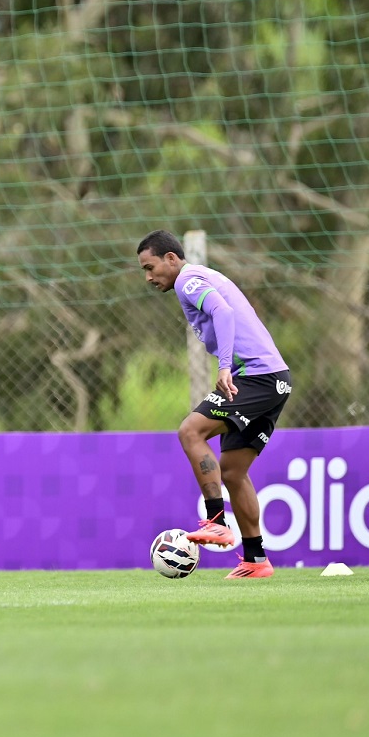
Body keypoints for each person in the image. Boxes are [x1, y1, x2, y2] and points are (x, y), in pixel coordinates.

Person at [136, 230, 292, 579]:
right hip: (274, 379)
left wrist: (224, 366)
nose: (148, 277)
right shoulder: (200, 276)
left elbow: (222, 313)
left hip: (256, 377)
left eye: (150, 267)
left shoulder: (187, 280)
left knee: (190, 431)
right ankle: (256, 560)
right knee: (234, 472)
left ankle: (216, 520)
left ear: (171, 259)